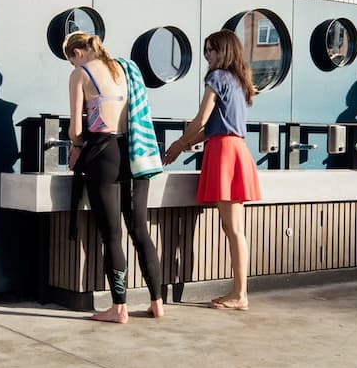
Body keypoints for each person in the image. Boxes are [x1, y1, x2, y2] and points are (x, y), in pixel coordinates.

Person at [64, 31, 166, 322]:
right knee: (140, 230)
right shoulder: (124, 68)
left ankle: (119, 307)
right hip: (135, 153)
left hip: (104, 154)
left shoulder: (81, 74)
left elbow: (76, 130)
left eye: (70, 60)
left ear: (78, 54)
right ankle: (157, 302)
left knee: (112, 235)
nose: (72, 65)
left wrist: (75, 146)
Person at [162, 31, 261, 310]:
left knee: (232, 228)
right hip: (236, 149)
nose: (208, 56)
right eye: (206, 50)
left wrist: (179, 144)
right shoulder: (239, 82)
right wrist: (186, 144)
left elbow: (201, 119)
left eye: (212, 50)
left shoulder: (217, 78)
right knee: (234, 228)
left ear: (224, 52)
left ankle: (240, 294)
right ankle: (239, 292)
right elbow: (212, 128)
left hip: (224, 153)